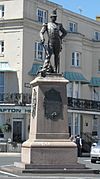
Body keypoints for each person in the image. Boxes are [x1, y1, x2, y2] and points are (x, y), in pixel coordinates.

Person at [40, 9, 67, 74]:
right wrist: (42, 38)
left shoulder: (59, 25)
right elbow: (41, 32)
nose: (54, 18)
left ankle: (56, 70)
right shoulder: (47, 25)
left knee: (56, 56)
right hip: (51, 42)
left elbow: (65, 32)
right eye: (53, 17)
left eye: (55, 17)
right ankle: (44, 68)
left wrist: (60, 38)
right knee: (48, 55)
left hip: (57, 42)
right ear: (51, 17)